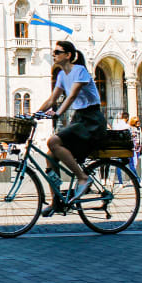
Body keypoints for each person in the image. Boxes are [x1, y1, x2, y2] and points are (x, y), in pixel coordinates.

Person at [36, 40, 106, 206]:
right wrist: (36, 114)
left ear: (68, 55)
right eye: (53, 52)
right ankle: (56, 201)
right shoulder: (61, 75)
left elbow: (72, 95)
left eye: (57, 52)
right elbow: (52, 99)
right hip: (79, 119)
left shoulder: (79, 70)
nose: (54, 55)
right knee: (50, 156)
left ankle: (83, 177)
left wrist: (58, 113)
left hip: (92, 120)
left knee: (53, 141)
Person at [128, 116, 142, 181]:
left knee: (135, 164)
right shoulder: (130, 128)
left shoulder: (139, 128)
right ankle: (136, 179)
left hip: (138, 148)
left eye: (139, 121)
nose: (138, 122)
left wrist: (141, 144)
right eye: (137, 122)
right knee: (132, 164)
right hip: (132, 147)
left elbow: (140, 137)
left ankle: (134, 178)